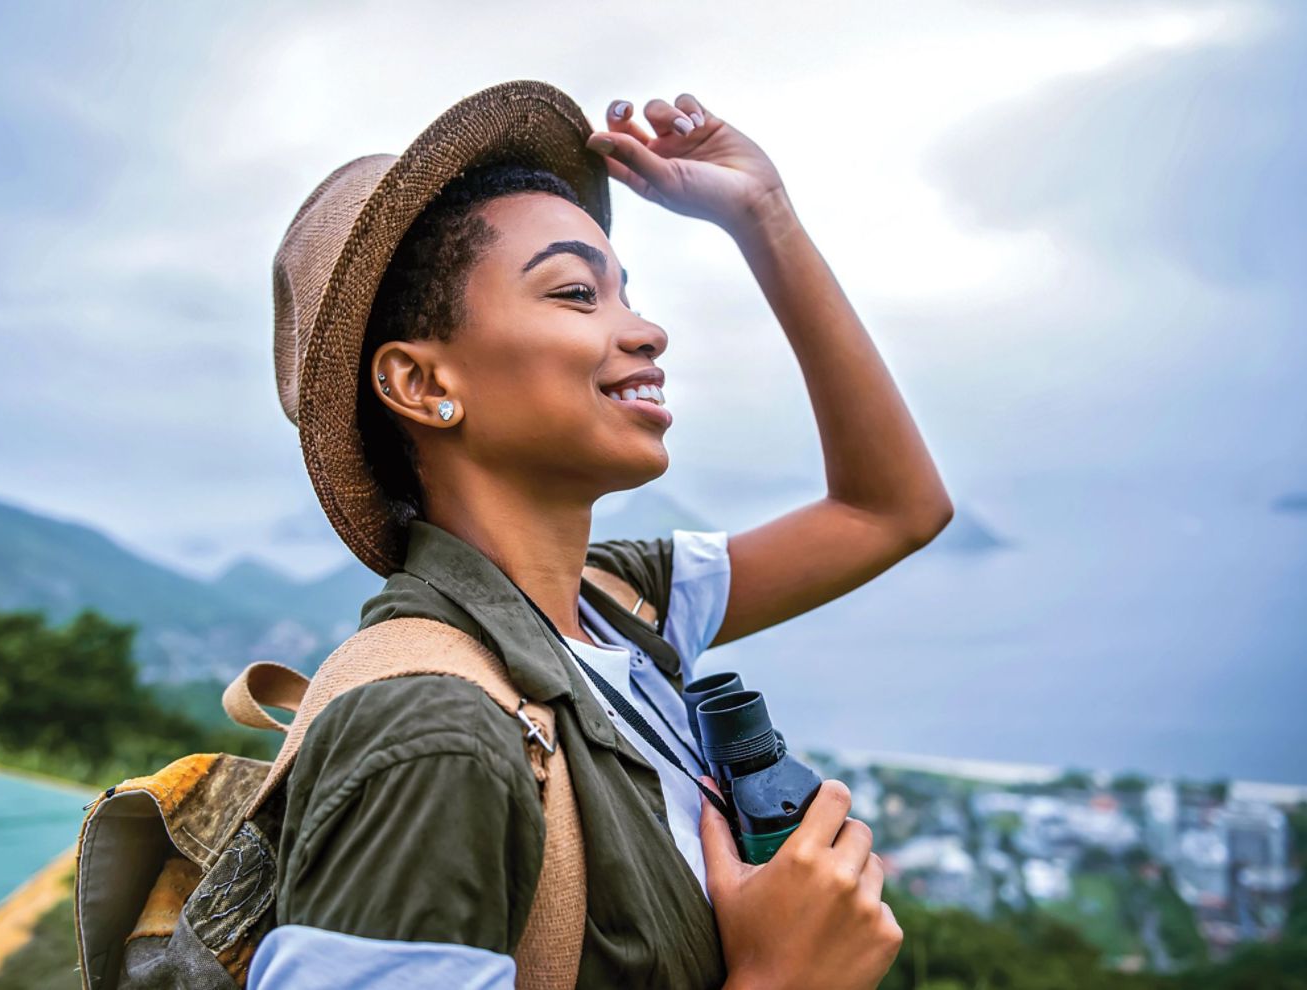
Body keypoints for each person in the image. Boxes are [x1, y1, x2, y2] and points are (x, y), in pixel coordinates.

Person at [250, 79, 952, 989]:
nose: (647, 331)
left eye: (627, 293)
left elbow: (889, 511)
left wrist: (763, 217)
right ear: (421, 385)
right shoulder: (433, 733)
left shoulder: (609, 605)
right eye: (577, 292)